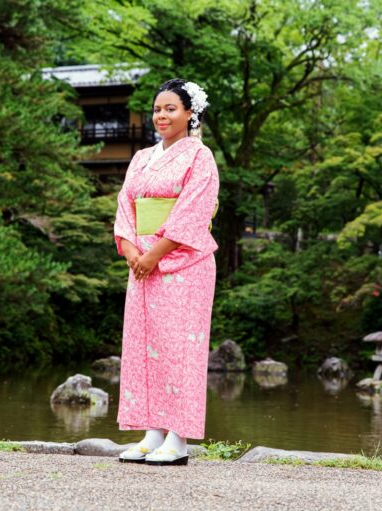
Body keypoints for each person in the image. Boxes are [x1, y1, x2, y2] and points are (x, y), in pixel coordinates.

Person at [113, 78, 219, 466]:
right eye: (157, 109)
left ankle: (178, 438)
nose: (162, 115)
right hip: (141, 263)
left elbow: (192, 212)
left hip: (182, 263)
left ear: (190, 114)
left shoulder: (199, 156)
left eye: (171, 108)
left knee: (180, 349)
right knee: (144, 346)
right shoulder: (142, 158)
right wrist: (130, 250)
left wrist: (154, 254)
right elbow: (126, 206)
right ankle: (151, 432)